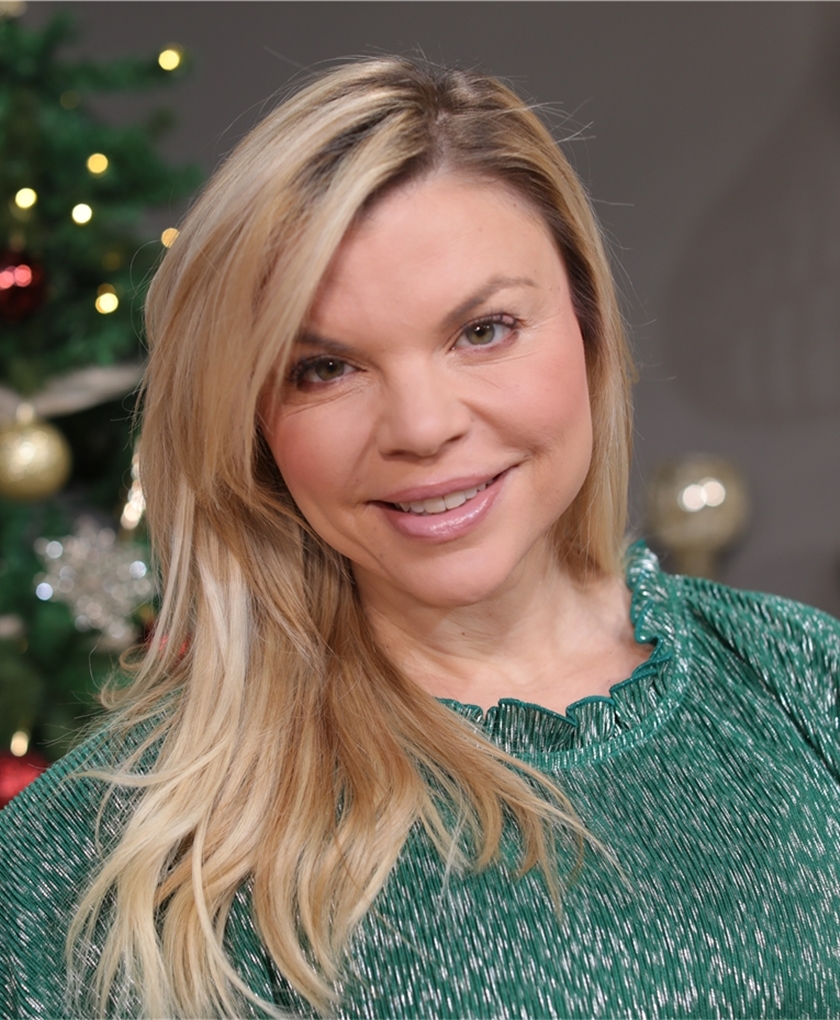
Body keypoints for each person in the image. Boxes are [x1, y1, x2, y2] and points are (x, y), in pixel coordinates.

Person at [1, 56, 839, 1020]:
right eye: (323, 368)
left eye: (483, 330)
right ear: (252, 426)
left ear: (590, 327)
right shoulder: (106, 850)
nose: (422, 426)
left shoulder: (803, 681)